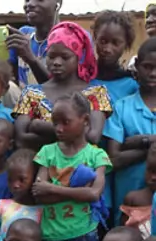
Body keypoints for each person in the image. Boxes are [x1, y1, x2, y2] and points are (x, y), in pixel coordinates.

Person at [32, 93, 111, 241]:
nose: (58, 128)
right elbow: (39, 193)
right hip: (52, 236)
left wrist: (52, 188)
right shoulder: (47, 152)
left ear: (85, 120)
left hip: (84, 233)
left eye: (66, 122)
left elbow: (94, 194)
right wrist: (78, 192)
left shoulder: (96, 155)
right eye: (55, 122)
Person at [13, 22, 111, 150]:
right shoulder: (31, 93)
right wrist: (74, 133)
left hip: (80, 168)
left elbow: (93, 138)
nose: (57, 62)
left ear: (78, 58)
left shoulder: (96, 93)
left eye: (65, 57)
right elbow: (21, 140)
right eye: (51, 56)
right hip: (40, 168)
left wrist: (39, 126)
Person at [103, 38, 156, 219]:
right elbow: (114, 159)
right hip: (127, 204)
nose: (153, 73)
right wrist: (150, 149)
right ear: (137, 67)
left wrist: (144, 141)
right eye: (148, 67)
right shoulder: (122, 108)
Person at [7, 0, 61, 86]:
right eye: (27, 0)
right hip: (24, 98)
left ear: (58, 3)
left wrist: (32, 60)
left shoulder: (73, 39)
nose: (30, 4)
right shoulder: (24, 34)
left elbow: (65, 91)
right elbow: (6, 77)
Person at [90, 11, 137, 104]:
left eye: (115, 43)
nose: (107, 49)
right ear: (95, 38)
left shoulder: (132, 85)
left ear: (126, 45)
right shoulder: (83, 77)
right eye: (103, 41)